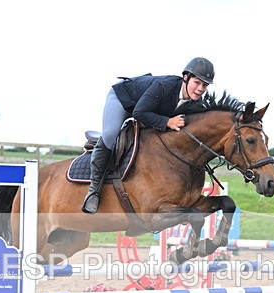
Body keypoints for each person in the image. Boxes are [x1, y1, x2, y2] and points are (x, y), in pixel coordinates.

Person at [81, 57, 215, 214]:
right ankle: (94, 190)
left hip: (146, 108)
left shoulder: (195, 104)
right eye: (197, 83)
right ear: (185, 78)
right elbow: (139, 112)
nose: (200, 89)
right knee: (110, 135)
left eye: (204, 85)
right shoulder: (164, 86)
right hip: (123, 100)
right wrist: (167, 122)